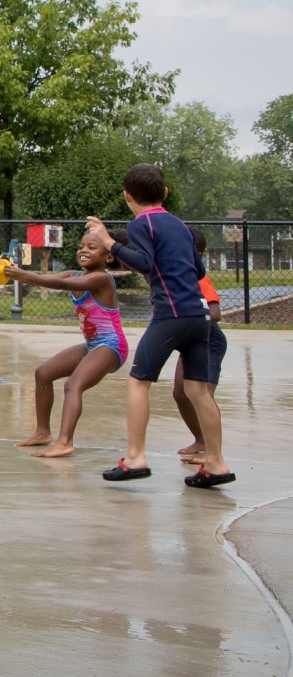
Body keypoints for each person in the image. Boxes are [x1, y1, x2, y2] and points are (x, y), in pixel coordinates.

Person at [86, 163, 232, 487]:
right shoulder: (180, 226)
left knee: (138, 382)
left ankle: (135, 458)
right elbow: (198, 271)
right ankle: (217, 463)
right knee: (197, 390)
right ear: (164, 193)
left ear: (127, 196)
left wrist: (108, 242)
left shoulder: (141, 223)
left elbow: (144, 262)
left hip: (171, 314)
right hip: (199, 316)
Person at [6, 229, 128, 458]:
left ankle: (65, 442)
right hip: (93, 345)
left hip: (112, 346)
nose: (83, 250)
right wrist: (16, 274)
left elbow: (59, 284)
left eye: (92, 247)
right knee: (43, 373)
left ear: (108, 257)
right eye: (81, 246)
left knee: (73, 385)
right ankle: (43, 432)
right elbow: (53, 280)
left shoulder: (101, 279)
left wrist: (22, 275)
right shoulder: (75, 274)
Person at [177, 227, 228, 465]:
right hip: (190, 339)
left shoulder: (199, 278)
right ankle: (201, 439)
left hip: (210, 342)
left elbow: (215, 314)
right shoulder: (176, 275)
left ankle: (213, 451)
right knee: (180, 393)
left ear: (197, 254)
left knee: (204, 395)